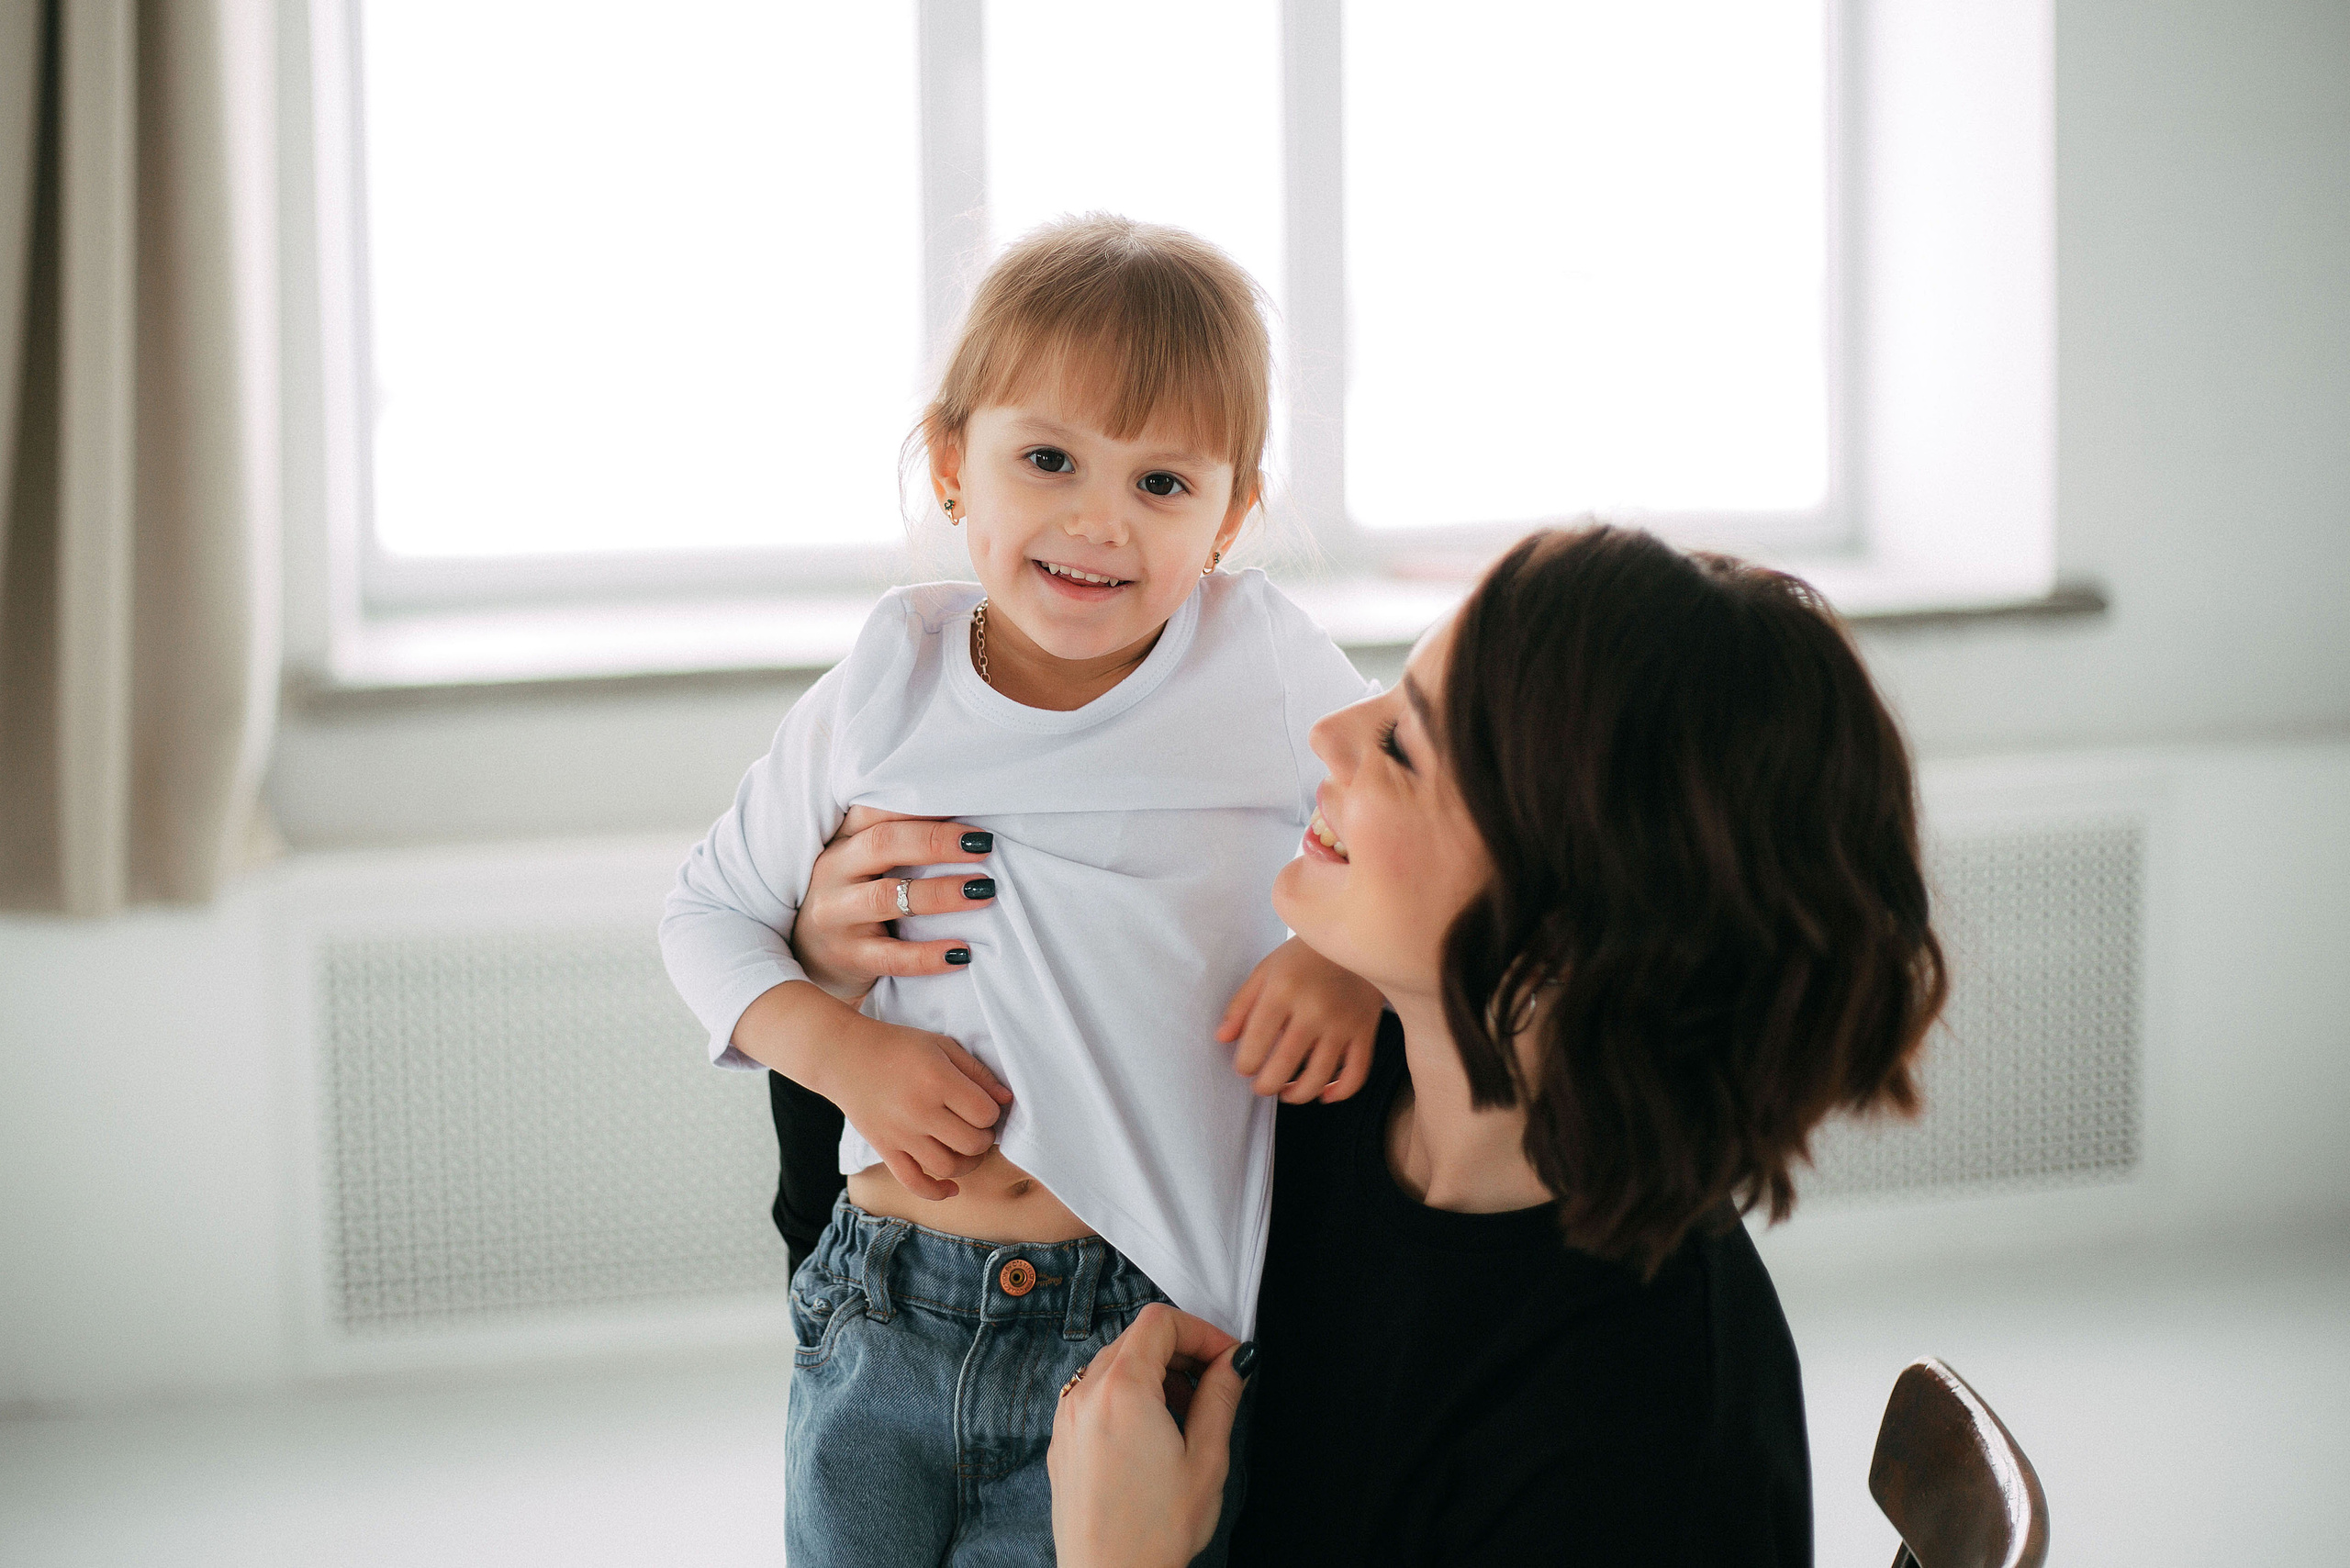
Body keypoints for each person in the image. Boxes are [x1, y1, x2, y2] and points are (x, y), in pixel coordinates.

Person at [802, 526, 1949, 1565]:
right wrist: (848, 964)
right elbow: (865, 1224)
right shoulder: (1322, 1070)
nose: (1330, 732)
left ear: (1562, 926)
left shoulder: (1646, 1428)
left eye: (1405, 746)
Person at [658, 215, 1386, 1568]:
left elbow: (1420, 839)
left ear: (1230, 514)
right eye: (1047, 459)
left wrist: (1341, 960)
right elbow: (707, 914)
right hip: (881, 1306)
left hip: (1130, 1342)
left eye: (1164, 484)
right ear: (952, 464)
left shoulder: (1266, 666)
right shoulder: (889, 678)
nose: (1098, 521)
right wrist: (848, 1053)